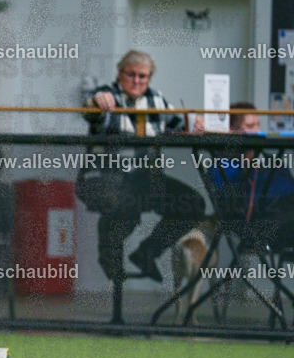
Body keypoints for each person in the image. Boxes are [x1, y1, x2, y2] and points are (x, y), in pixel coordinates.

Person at [77, 49, 206, 282]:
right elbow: (89, 108)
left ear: (149, 78)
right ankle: (109, 255)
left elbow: (180, 124)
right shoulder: (107, 94)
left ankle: (147, 253)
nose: (136, 81)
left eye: (142, 76)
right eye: (131, 74)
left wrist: (195, 124)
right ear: (119, 73)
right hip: (103, 178)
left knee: (193, 204)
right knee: (126, 203)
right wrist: (97, 101)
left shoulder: (156, 100)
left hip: (143, 180)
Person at [206, 103, 294, 248]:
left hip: (286, 211)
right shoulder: (222, 164)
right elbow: (229, 201)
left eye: (258, 125)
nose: (257, 131)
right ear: (233, 131)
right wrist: (248, 164)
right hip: (261, 218)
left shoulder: (272, 160)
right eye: (250, 126)